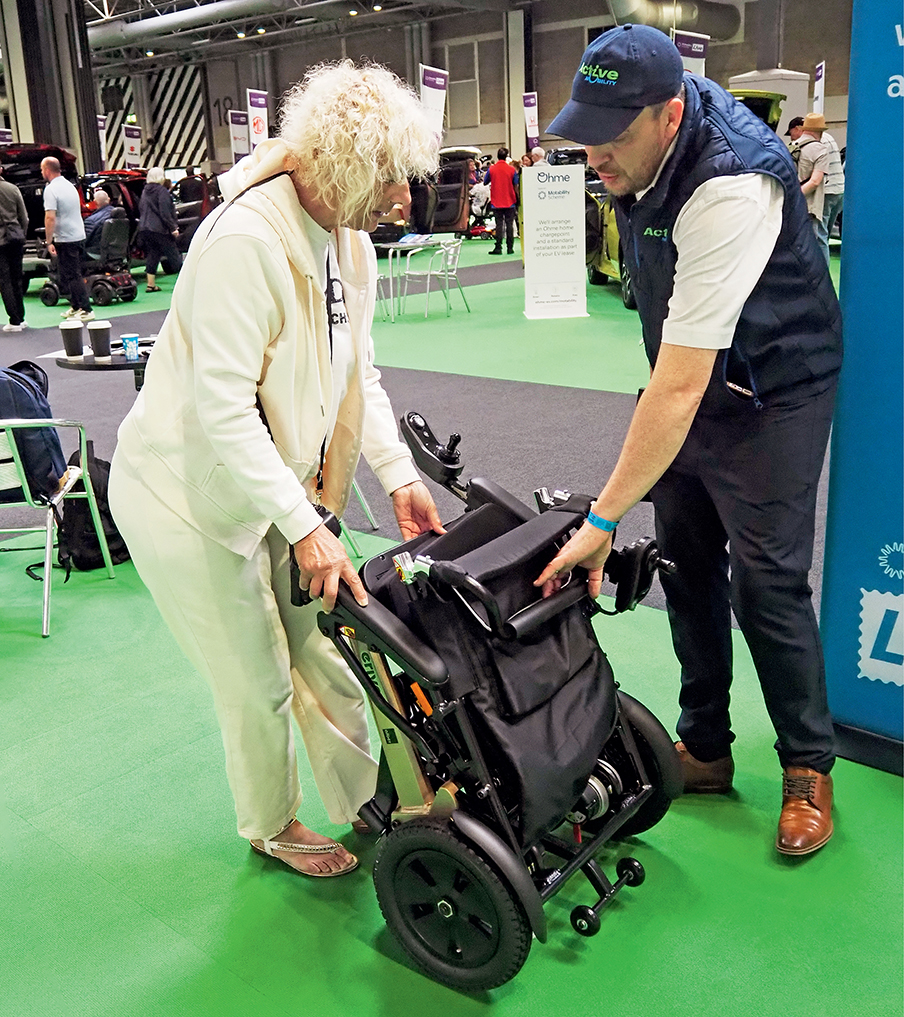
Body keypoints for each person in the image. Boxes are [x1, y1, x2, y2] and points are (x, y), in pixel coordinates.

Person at [108, 61, 444, 879]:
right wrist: (306, 526)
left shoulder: (348, 244)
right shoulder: (244, 243)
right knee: (256, 679)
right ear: (342, 165)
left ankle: (374, 800)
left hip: (275, 485)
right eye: (389, 176)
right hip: (183, 498)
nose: (403, 197)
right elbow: (223, 410)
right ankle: (270, 824)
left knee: (328, 647)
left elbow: (357, 373)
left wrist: (398, 473)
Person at [538, 25, 842, 857]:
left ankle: (808, 765)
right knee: (685, 563)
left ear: (669, 116)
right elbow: (678, 376)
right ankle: (705, 746)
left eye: (612, 134)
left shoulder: (732, 182)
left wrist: (601, 520)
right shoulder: (638, 150)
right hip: (694, 377)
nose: (594, 155)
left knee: (767, 581)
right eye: (585, 130)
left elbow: (677, 387)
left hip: (776, 388)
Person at [41, 157, 93, 322]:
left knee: (73, 275)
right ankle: (76, 306)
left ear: (47, 170)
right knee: (69, 274)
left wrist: (49, 241)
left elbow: (50, 217)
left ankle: (86, 309)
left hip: (66, 238)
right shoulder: (70, 186)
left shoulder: (51, 190)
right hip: (78, 235)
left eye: (42, 170)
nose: (41, 172)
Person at [791, 112, 830, 254]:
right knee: (809, 249)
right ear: (820, 131)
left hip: (788, 206)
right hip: (808, 207)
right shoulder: (820, 149)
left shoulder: (791, 146)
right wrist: (797, 197)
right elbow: (814, 181)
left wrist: (789, 198)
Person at [138, 166, 182, 292]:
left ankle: (150, 284)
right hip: (160, 229)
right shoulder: (162, 191)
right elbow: (165, 212)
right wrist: (173, 227)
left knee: (153, 254)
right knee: (173, 255)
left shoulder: (144, 191)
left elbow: (141, 208)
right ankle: (185, 283)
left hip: (145, 228)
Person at [0, 165, 29, 332]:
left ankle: (14, 320)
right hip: (15, 238)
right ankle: (21, 317)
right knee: (17, 278)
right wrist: (22, 234)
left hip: (0, 243)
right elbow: (24, 217)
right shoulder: (13, 188)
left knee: (5, 281)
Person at [484, 147, 518, 255]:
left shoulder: (492, 169)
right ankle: (510, 248)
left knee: (499, 225)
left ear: (497, 156)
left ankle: (498, 247)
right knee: (509, 225)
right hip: (510, 201)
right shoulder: (511, 169)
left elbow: (485, 182)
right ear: (506, 156)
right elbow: (516, 184)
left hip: (496, 201)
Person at [819, 127, 845, 258]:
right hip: (839, 189)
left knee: (820, 235)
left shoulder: (817, 142)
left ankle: (821, 268)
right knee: (826, 234)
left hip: (827, 191)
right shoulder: (828, 138)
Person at [83, 189, 117, 256]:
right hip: (116, 253)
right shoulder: (119, 215)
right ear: (109, 199)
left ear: (95, 202)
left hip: (96, 253)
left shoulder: (91, 221)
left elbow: (84, 242)